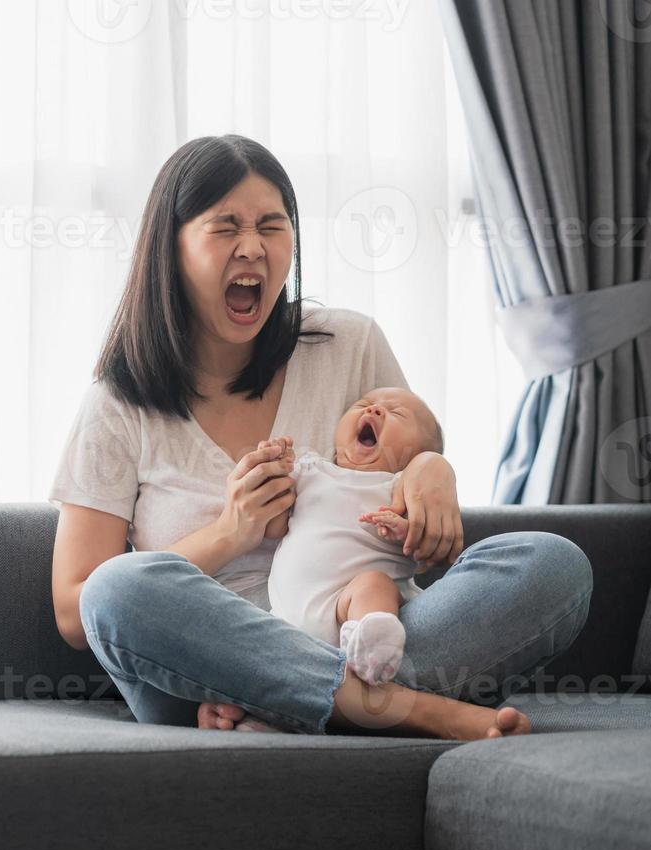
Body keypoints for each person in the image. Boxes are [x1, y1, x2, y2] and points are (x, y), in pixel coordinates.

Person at [47, 134, 592, 740]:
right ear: (170, 248)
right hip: (206, 664)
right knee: (118, 591)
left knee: (552, 564)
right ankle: (408, 709)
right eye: (225, 227)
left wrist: (433, 469)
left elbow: (408, 463)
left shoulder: (348, 345)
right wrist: (231, 534)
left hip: (361, 633)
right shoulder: (119, 404)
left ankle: (295, 708)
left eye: (272, 227)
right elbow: (76, 609)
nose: (252, 247)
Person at [265, 386, 446, 686]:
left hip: (349, 606)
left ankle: (371, 647)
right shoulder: (311, 470)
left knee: (374, 584)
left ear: (416, 456)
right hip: (285, 616)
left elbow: (422, 548)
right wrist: (273, 467)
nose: (374, 410)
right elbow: (273, 528)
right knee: (250, 646)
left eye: (396, 413)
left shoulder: (399, 486)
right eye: (365, 404)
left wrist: (402, 528)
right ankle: (251, 713)